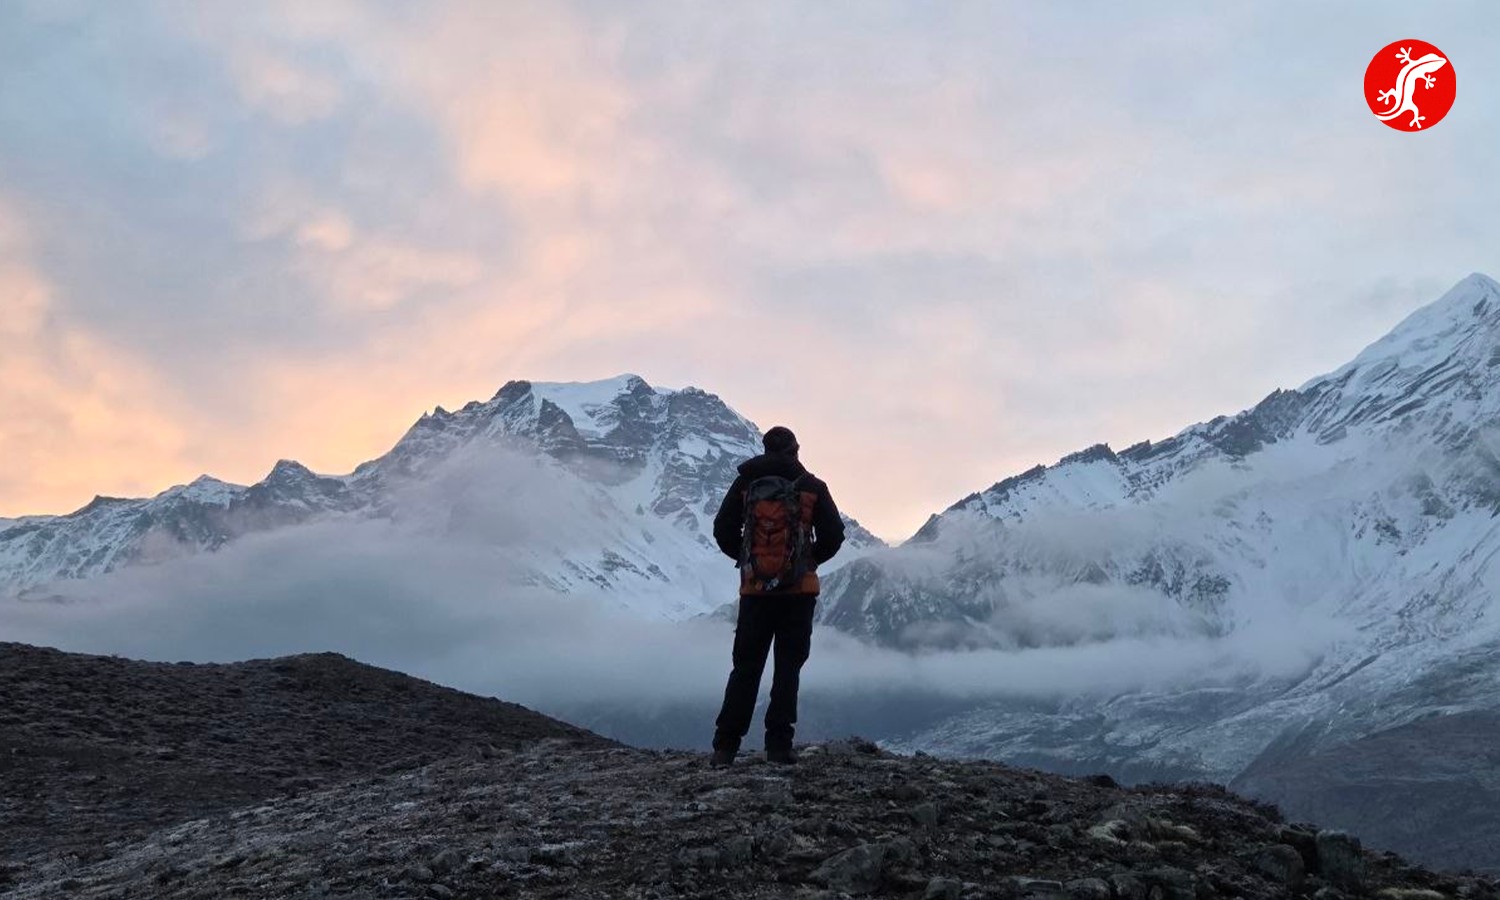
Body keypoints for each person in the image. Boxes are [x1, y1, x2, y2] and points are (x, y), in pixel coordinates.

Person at [709, 425, 845, 766]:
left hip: (755, 592)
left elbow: (722, 529)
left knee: (745, 668)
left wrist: (748, 560)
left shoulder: (746, 484)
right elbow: (834, 534)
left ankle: (725, 748)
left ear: (765, 448)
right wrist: (808, 560)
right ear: (795, 450)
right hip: (798, 594)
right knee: (788, 670)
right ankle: (779, 747)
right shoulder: (812, 486)